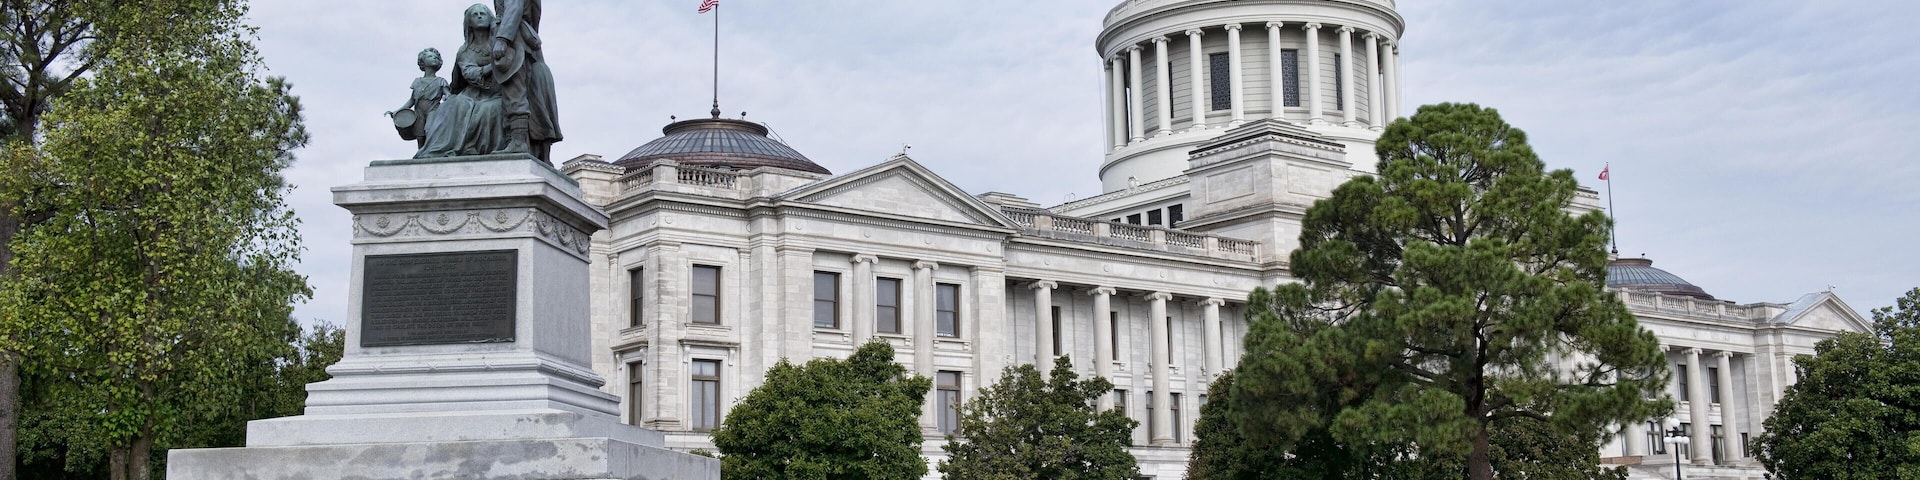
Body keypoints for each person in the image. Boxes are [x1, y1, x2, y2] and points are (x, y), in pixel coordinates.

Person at [415, 4, 507, 158]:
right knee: (454, 105)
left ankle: (475, 148)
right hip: (473, 92)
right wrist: (493, 66)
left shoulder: (499, 44)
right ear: (469, 22)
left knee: (490, 110)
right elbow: (470, 74)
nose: (479, 16)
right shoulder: (465, 51)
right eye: (475, 14)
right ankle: (439, 148)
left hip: (498, 91)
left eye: (483, 13)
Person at [490, 0, 562, 162]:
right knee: (526, 95)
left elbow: (514, 7)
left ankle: (518, 141)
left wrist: (503, 39)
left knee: (514, 92)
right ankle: (522, 142)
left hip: (514, 38)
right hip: (523, 36)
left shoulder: (508, 35)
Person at [388, 48, 448, 148]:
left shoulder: (440, 81)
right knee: (419, 135)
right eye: (430, 56)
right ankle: (420, 153)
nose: (434, 58)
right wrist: (397, 111)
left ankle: (430, 151)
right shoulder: (417, 82)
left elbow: (448, 94)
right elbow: (411, 100)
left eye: (436, 57)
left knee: (429, 130)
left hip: (433, 110)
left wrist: (448, 97)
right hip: (419, 112)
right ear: (422, 62)